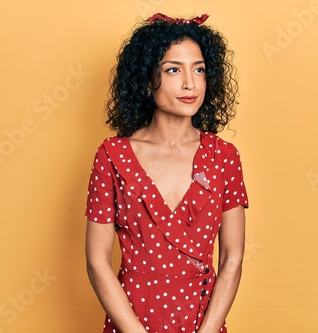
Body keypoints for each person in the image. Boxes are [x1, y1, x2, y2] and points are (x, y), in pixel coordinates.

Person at [85, 12, 249, 333]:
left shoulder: (224, 156)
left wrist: (209, 330)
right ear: (147, 80)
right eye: (173, 70)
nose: (190, 83)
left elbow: (232, 257)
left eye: (199, 70)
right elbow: (96, 261)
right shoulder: (112, 155)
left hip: (204, 319)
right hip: (132, 318)